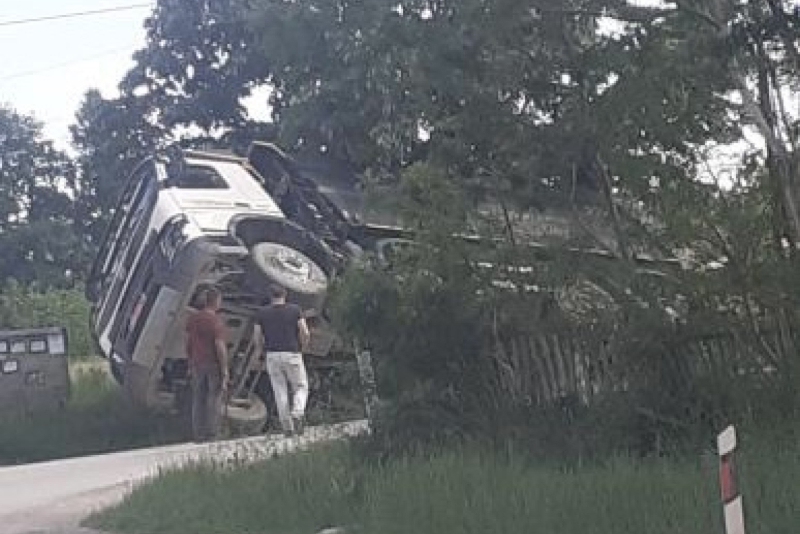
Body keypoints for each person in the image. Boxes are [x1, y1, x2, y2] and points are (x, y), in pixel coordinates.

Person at [257, 283, 310, 436]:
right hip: (292, 353)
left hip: (272, 355)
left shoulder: (262, 313)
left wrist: (260, 351)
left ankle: (287, 428)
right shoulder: (295, 310)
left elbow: (257, 336)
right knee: (301, 386)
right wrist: (303, 347)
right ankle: (297, 412)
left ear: (270, 296)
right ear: (285, 295)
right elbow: (305, 332)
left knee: (279, 390)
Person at [185, 287, 229, 441]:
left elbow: (189, 342)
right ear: (216, 301)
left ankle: (198, 433)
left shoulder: (193, 319)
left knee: (198, 399)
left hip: (197, 363)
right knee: (214, 398)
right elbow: (219, 346)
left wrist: (190, 361)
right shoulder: (215, 321)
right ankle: (213, 433)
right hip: (213, 364)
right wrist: (225, 369)